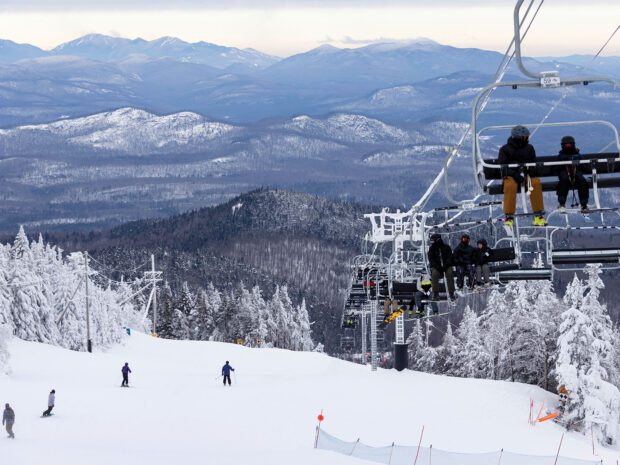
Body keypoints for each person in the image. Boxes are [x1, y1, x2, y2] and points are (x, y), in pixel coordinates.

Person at [498, 125, 546, 227]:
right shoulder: (505, 149)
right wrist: (515, 174)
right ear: (520, 137)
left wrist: (529, 172)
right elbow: (503, 167)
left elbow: (533, 163)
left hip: (526, 174)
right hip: (511, 175)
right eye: (526, 137)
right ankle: (509, 216)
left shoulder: (529, 148)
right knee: (510, 186)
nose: (527, 138)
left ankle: (538, 215)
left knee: (535, 183)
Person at [556, 135, 589, 212]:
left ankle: (584, 205)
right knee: (564, 179)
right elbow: (555, 168)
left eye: (569, 145)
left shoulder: (577, 155)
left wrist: (578, 165)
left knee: (582, 180)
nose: (568, 147)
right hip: (565, 174)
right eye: (566, 145)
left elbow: (586, 167)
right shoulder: (560, 156)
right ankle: (562, 204)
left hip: (576, 173)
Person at [428, 234, 455, 302]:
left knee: (449, 273)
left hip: (446, 266)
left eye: (433, 241)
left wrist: (445, 266)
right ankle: (436, 293)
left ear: (437, 240)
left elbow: (450, 258)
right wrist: (438, 267)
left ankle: (451, 292)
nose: (432, 243)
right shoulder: (431, 249)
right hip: (438, 268)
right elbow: (431, 260)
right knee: (434, 274)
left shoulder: (446, 248)